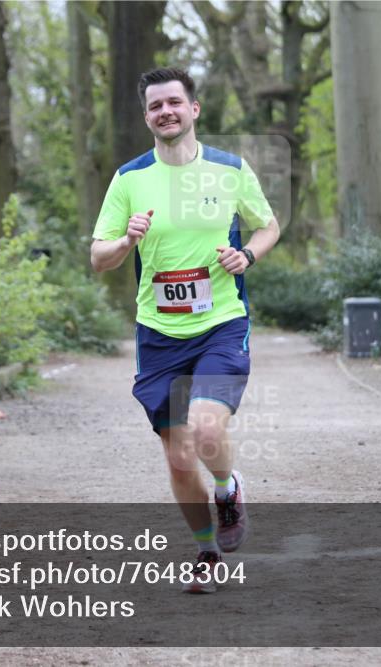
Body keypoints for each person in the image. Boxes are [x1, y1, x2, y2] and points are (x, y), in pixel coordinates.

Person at [90, 67, 281, 593]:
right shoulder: (129, 179)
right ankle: (207, 551)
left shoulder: (229, 169)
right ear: (147, 116)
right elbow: (98, 257)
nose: (165, 111)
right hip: (158, 332)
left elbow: (268, 226)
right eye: (155, 106)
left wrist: (247, 255)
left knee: (206, 429)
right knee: (177, 457)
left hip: (220, 323)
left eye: (175, 101)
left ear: (194, 109)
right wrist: (125, 241)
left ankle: (227, 487)